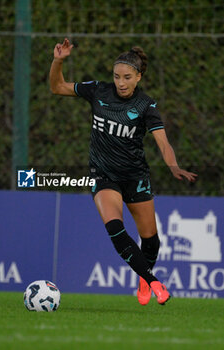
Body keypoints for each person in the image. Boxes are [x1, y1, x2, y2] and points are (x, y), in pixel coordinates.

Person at [49, 38, 197, 305]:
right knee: (115, 227)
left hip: (135, 177)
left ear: (139, 77)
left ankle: (143, 275)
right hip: (103, 176)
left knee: (151, 242)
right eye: (117, 76)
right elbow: (57, 87)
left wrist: (173, 166)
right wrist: (58, 61)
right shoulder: (97, 91)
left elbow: (163, 142)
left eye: (127, 77)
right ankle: (153, 282)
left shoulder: (146, 106)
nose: (121, 82)